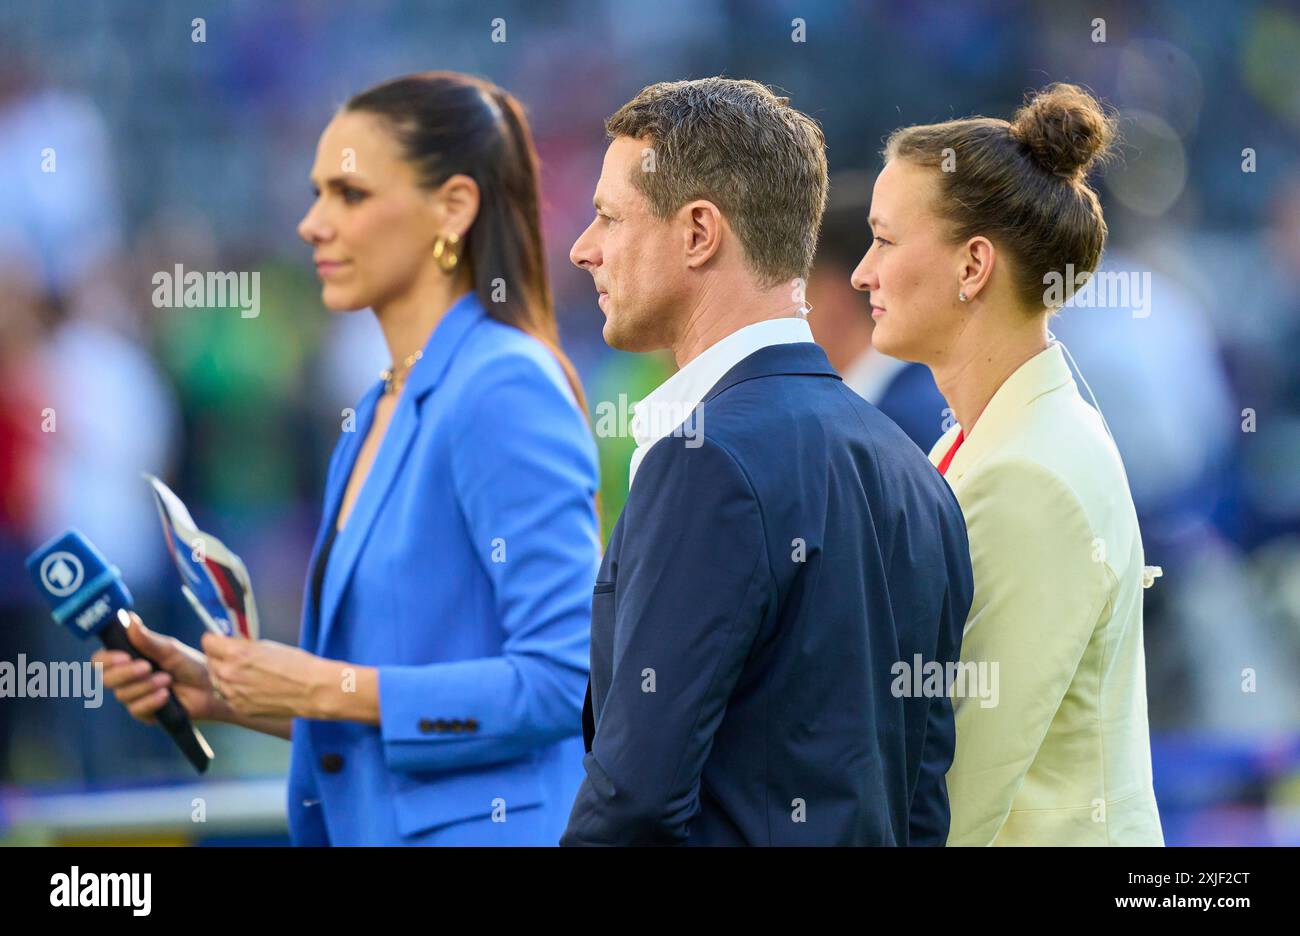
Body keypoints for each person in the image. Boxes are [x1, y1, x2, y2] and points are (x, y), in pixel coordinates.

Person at [93, 72, 601, 845]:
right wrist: (226, 694)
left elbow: (567, 683)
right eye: (315, 192)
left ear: (454, 208)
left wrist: (321, 686)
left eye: (349, 194)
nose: (311, 224)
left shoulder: (501, 382)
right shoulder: (375, 408)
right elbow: (386, 710)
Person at [561, 77, 973, 846]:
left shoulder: (705, 459)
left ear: (698, 233)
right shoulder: (915, 468)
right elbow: (921, 803)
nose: (584, 248)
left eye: (609, 217)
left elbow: (635, 800)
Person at [852, 83, 1164, 845]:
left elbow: (955, 794)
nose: (862, 272)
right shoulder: (997, 437)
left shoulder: (1030, 473)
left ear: (973, 266)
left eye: (885, 241)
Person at [807, 172, 948, 452]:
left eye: (803, 295)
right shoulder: (917, 399)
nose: (791, 314)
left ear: (834, 302)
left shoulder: (902, 421)